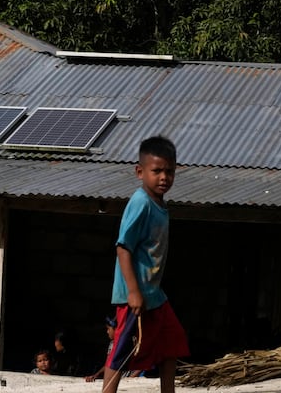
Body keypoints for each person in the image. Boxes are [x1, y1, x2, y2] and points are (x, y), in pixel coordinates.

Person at [102, 136, 190, 393]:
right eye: (157, 171)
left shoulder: (161, 205)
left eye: (170, 171)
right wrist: (132, 291)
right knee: (123, 349)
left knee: (172, 341)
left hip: (154, 295)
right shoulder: (140, 202)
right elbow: (123, 247)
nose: (164, 177)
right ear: (140, 172)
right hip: (136, 294)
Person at [85, 316, 117, 381]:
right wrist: (96, 375)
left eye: (108, 329)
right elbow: (108, 364)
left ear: (116, 329)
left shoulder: (125, 344)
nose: (107, 332)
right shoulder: (112, 343)